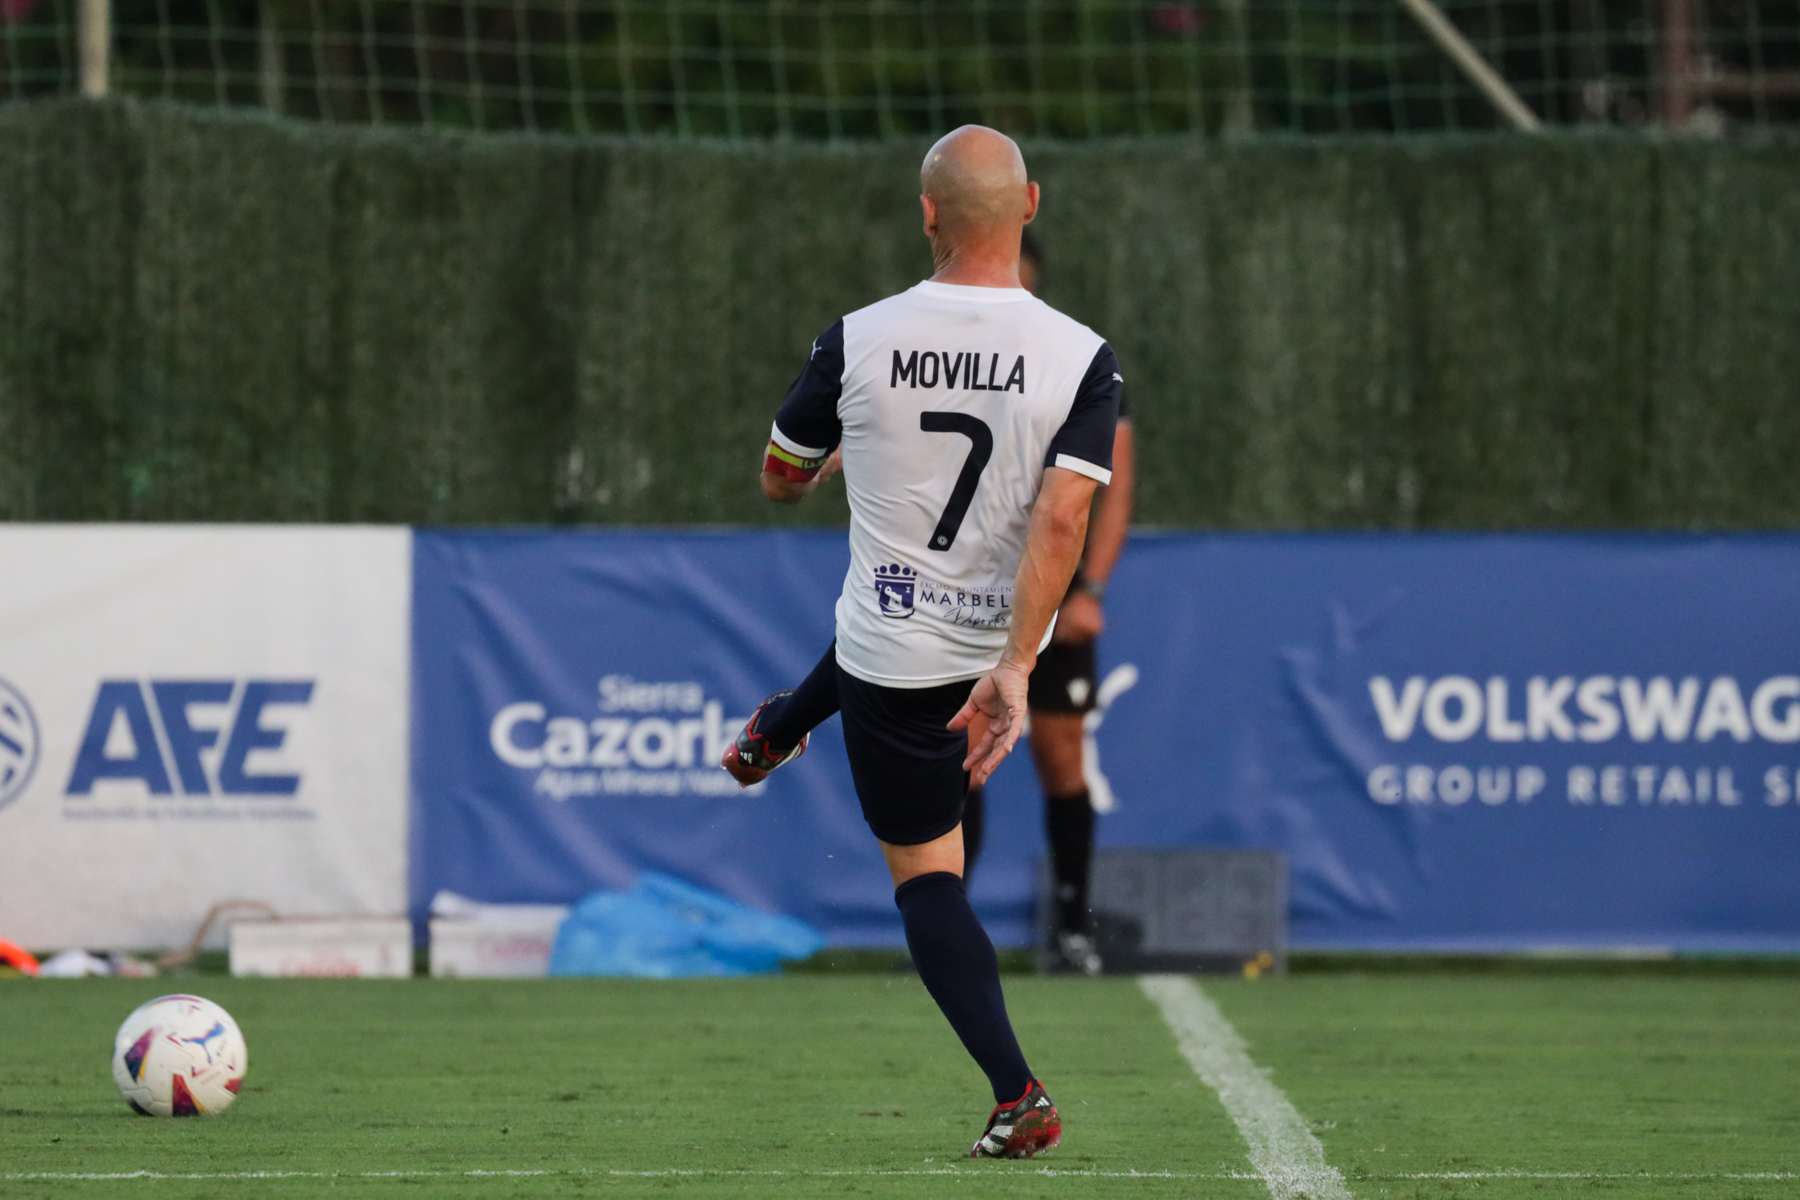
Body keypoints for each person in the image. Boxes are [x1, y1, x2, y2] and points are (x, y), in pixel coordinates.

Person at [721, 126, 1122, 1160]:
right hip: (997, 642)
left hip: (897, 654)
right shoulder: (1083, 355)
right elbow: (1064, 520)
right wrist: (1017, 666)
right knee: (878, 651)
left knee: (927, 879)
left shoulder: (856, 338)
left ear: (928, 212)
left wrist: (832, 459)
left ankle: (1018, 1093)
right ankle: (775, 730)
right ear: (1030, 204)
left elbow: (779, 479)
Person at [961, 229, 1134, 978]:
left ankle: (1071, 928)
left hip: (1054, 595)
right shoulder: (948, 363)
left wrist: (1088, 589)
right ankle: (947, 927)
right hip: (968, 596)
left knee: (1061, 757)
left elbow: (1110, 488)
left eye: (1018, 281)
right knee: (964, 756)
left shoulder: (1075, 359)